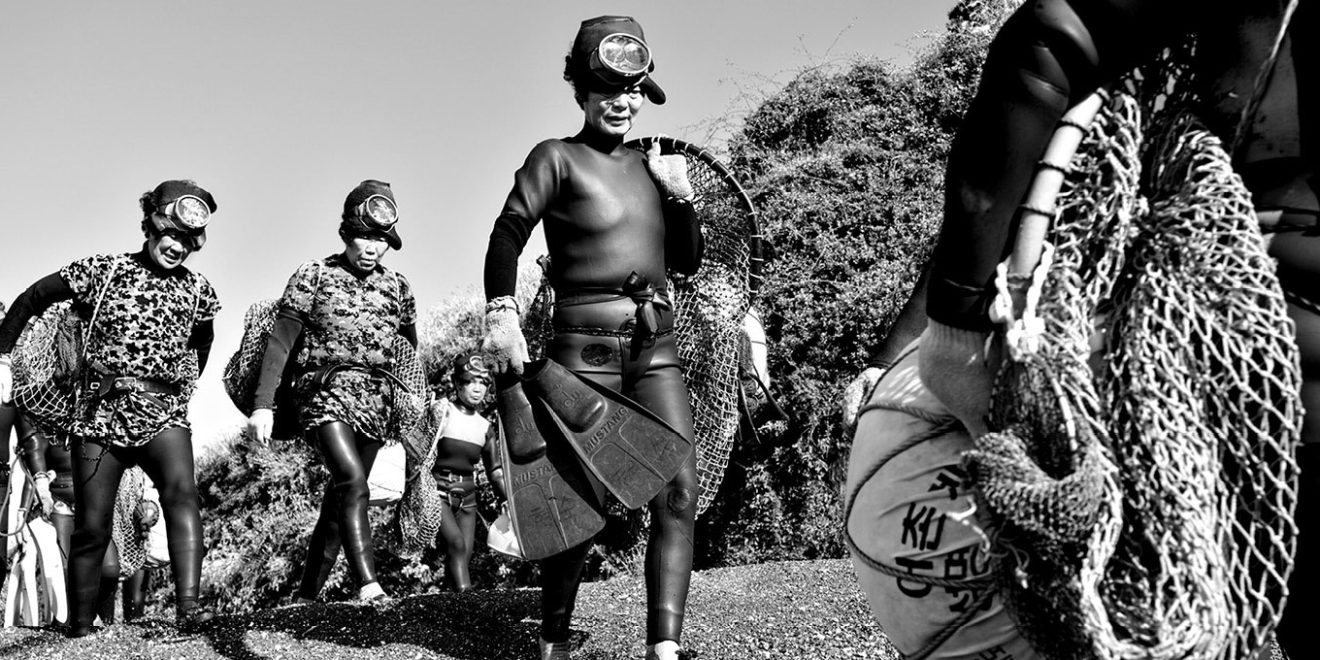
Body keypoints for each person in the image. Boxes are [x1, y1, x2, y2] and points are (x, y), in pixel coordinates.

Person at [845, 2, 1317, 658]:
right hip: (1259, 382)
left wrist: (951, 333)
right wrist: (924, 341)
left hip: (1252, 392)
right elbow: (1056, 46)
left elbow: (1051, 45)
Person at [481, 15, 704, 660]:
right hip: (582, 351)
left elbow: (684, 262)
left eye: (632, 90)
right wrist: (501, 312)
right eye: (605, 89)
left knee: (678, 487)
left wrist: (680, 199)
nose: (621, 102)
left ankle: (664, 648)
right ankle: (552, 639)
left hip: (655, 347)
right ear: (579, 91)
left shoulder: (654, 165)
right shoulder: (555, 157)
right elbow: (508, 231)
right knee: (576, 503)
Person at [0, 179, 221, 636]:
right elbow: (33, 297)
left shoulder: (200, 290)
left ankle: (189, 610)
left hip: (164, 413)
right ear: (152, 226)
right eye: (170, 235)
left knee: (183, 495)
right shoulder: (103, 269)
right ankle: (80, 629)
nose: (177, 247)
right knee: (93, 527)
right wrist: (2, 355)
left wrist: (180, 389)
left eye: (186, 241)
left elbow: (203, 344)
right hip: (100, 416)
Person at [248, 179, 417, 604]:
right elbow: (281, 342)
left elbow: (408, 352)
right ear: (346, 232)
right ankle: (370, 586)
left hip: (377, 402)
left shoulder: (399, 288)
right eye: (364, 236)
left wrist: (414, 404)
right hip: (323, 394)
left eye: (381, 239)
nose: (372, 247)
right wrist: (263, 405)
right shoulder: (314, 275)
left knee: (340, 499)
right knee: (353, 480)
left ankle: (305, 597)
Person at [415, 352, 503, 593]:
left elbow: (494, 470)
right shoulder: (441, 411)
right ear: (457, 383)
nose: (477, 388)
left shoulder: (486, 428)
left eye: (483, 383)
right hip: (436, 492)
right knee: (456, 545)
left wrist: (507, 498)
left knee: (464, 554)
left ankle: (447, 610)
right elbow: (416, 450)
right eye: (470, 381)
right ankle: (468, 602)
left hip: (468, 498)